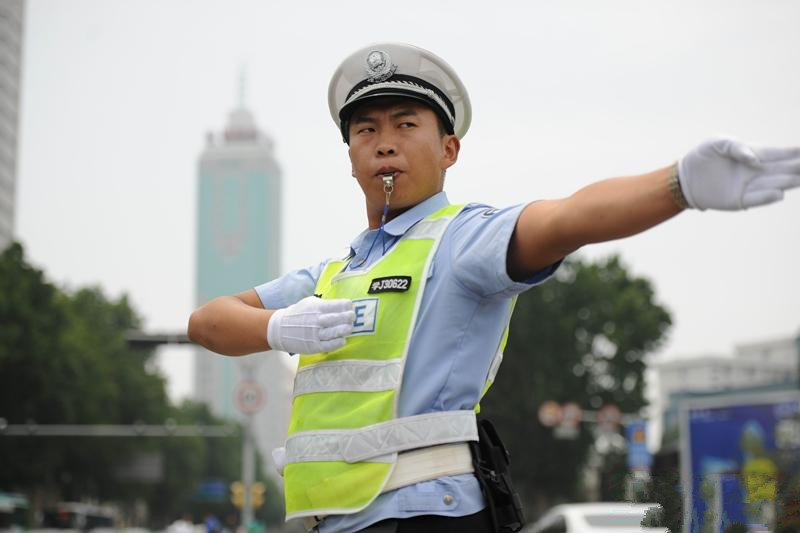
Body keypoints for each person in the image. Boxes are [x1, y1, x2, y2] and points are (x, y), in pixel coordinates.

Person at [187, 43, 800, 533]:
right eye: (365, 130)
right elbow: (207, 322)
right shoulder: (328, 275)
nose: (385, 142)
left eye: (406, 123)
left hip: (427, 516)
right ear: (350, 156)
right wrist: (276, 327)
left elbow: (567, 217)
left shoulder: (461, 242)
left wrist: (677, 186)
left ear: (449, 149)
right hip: (341, 522)